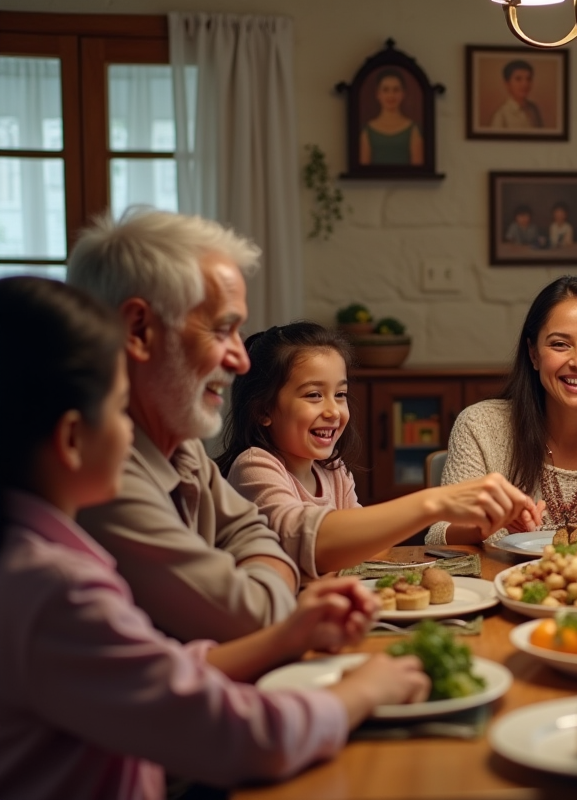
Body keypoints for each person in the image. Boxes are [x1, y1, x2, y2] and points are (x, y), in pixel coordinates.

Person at [0, 276, 432, 800]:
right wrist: (361, 693)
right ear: (71, 439)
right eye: (120, 410)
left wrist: (289, 635)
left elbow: (160, 673)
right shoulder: (55, 588)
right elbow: (240, 734)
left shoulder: (46, 560)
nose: (132, 431)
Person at [68, 208, 300, 643]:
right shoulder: (103, 474)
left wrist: (258, 577)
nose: (242, 360)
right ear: (138, 329)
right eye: (222, 330)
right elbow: (253, 615)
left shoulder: (177, 440)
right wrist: (265, 583)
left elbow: (255, 534)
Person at [217, 322, 539, 579]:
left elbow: (369, 548)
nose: (333, 410)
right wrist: (433, 504)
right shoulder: (254, 466)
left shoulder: (331, 469)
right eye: (314, 395)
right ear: (263, 411)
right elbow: (309, 542)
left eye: (340, 394)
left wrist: (483, 525)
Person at [428, 276, 577, 545]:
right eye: (559, 344)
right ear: (533, 354)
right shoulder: (480, 426)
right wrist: (486, 525)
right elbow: (438, 536)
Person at [359, 69, 424, 166]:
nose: (391, 95)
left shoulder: (414, 129)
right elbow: (362, 172)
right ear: (378, 94)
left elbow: (418, 171)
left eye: (396, 90)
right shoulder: (367, 131)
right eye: (385, 90)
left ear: (403, 94)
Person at [489, 59, 543, 129]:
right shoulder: (501, 115)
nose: (525, 84)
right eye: (518, 79)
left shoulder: (534, 109)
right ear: (507, 84)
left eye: (528, 79)